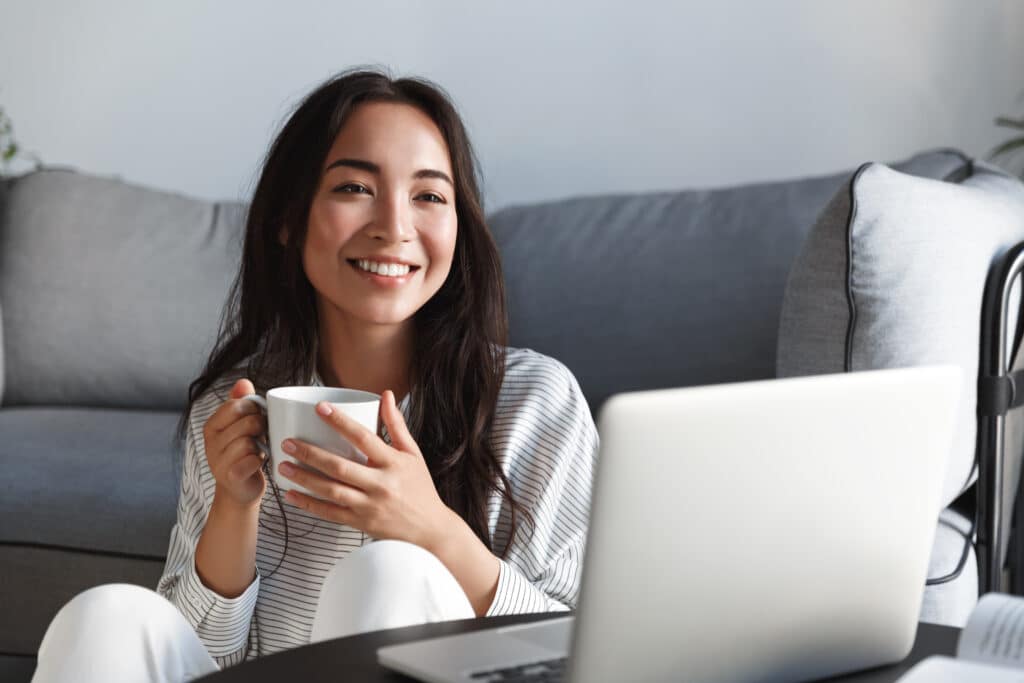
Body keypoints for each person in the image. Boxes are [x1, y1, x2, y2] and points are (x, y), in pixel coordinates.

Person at [31, 68, 598, 682]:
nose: (395, 226)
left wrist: (433, 530)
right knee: (107, 616)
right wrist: (234, 506)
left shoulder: (535, 401)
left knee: (390, 572)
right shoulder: (232, 409)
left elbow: (586, 652)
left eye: (430, 195)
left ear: (458, 230)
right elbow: (199, 659)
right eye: (355, 187)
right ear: (288, 219)